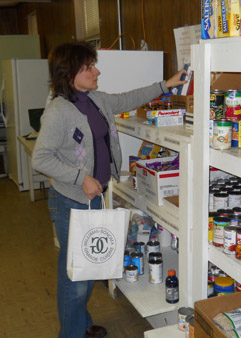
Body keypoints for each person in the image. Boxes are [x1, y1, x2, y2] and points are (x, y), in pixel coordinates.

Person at [31, 41, 187, 338]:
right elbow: (41, 158)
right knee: (75, 276)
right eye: (89, 67)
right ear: (69, 73)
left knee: (88, 269)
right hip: (71, 201)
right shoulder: (58, 112)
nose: (97, 70)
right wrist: (80, 178)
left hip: (94, 198)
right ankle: (72, 333)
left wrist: (166, 84)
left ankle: (82, 324)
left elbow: (129, 99)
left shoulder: (96, 100)